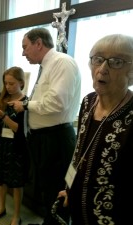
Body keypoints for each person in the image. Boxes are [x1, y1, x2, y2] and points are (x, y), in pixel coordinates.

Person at [57, 34, 133, 225]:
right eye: (98, 59)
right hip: (77, 205)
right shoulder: (88, 101)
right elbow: (79, 151)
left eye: (116, 62)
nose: (103, 69)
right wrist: (69, 187)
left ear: (131, 71)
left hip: (114, 214)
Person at [10, 28, 81, 225]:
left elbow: (57, 103)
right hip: (43, 139)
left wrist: (25, 105)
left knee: (56, 190)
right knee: (46, 188)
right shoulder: (46, 66)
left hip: (55, 139)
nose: (23, 53)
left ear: (38, 43)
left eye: (25, 47)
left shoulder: (62, 63)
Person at [0, 66, 28, 225]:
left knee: (16, 183)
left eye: (12, 83)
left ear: (21, 83)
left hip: (16, 147)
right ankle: (1, 207)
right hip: (0, 145)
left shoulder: (25, 102)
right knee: (1, 179)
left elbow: (19, 129)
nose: (8, 87)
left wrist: (3, 116)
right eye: (6, 83)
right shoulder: (0, 97)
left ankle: (16, 215)